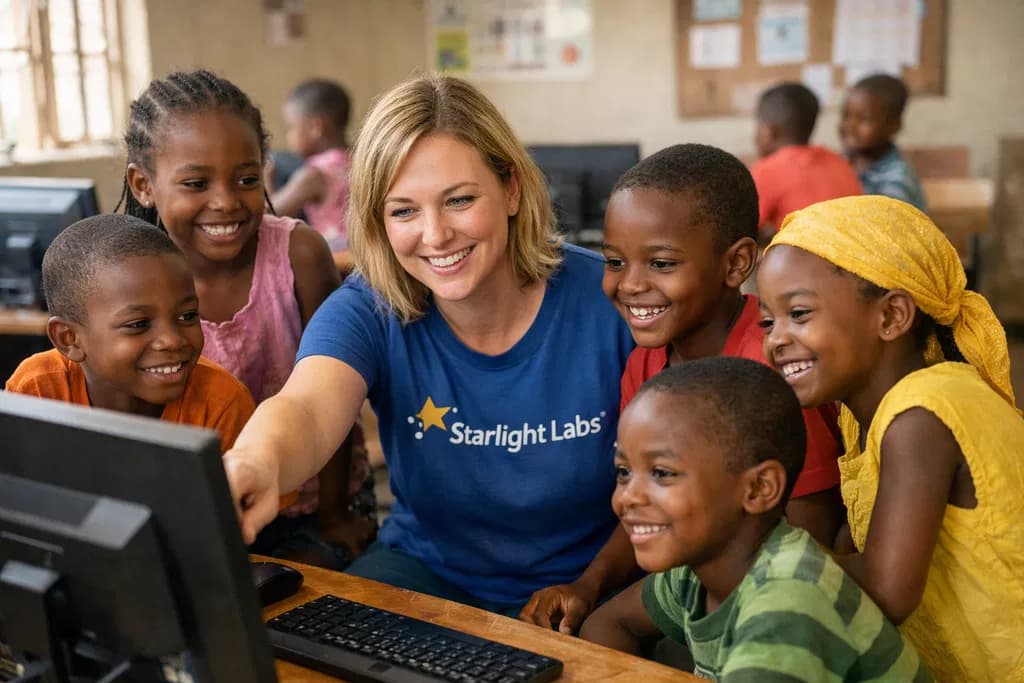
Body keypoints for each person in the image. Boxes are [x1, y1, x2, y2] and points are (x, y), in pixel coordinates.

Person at [222, 74, 635, 628]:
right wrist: (255, 462)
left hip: (590, 587)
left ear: (511, 189)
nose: (436, 235)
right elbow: (307, 407)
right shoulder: (369, 308)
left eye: (459, 200)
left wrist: (597, 584)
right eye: (404, 211)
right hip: (425, 574)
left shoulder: (610, 302)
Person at [757, 195, 1024, 681]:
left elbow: (888, 588)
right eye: (767, 320)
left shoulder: (921, 416)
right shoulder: (864, 417)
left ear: (891, 317)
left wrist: (748, 566)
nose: (775, 338)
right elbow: (856, 539)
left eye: (798, 313)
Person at [117, 69, 374, 569]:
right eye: (196, 183)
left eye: (247, 179)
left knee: (302, 614)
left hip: (315, 501)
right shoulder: (132, 278)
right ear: (143, 185)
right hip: (203, 509)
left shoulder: (298, 254)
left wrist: (334, 515)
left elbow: (337, 392)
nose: (226, 201)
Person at [579, 357, 929, 681]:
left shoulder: (787, 605)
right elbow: (607, 624)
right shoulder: (694, 574)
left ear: (759, 488)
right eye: (624, 472)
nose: (628, 496)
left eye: (662, 473)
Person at [602, 143, 844, 547]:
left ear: (735, 264)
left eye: (661, 264)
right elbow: (646, 504)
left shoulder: (778, 365)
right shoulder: (644, 365)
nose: (629, 284)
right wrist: (589, 585)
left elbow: (813, 528)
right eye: (614, 262)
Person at [5, 214, 254, 454]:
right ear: (68, 339)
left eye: (187, 316)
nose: (172, 340)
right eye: (138, 324)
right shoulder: (39, 389)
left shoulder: (222, 403)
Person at [750, 82, 861, 238]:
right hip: (854, 257)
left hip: (807, 260)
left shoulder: (767, 170)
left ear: (770, 131)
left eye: (758, 125)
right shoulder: (841, 163)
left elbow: (742, 231)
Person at [268, 78, 353, 253]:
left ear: (315, 127)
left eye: (291, 127)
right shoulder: (361, 159)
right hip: (368, 255)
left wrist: (266, 181)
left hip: (336, 262)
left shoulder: (314, 175)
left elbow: (270, 215)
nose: (289, 136)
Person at [840, 74, 926, 211]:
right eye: (846, 116)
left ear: (894, 126)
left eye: (864, 119)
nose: (850, 126)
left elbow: (883, 226)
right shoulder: (842, 162)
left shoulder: (898, 178)